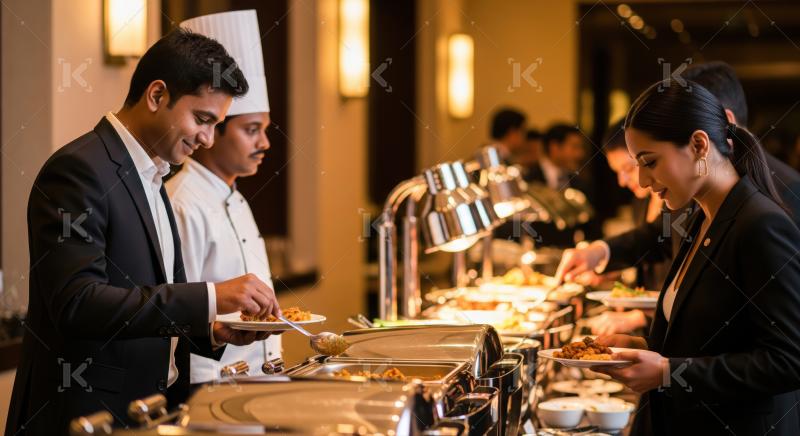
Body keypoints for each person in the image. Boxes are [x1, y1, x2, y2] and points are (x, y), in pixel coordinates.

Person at [7, 29, 281, 434]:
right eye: (202, 119)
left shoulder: (154, 174)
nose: (207, 139)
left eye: (216, 124)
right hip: (86, 414)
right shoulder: (79, 170)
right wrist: (210, 296)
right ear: (156, 96)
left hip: (143, 412)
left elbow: (144, 300)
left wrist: (209, 329)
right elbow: (77, 303)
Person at [593, 80, 800, 435]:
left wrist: (667, 373)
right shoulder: (700, 217)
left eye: (650, 162)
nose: (643, 181)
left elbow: (788, 359)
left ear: (699, 145)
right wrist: (643, 349)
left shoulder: (759, 224)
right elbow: (711, 338)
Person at [555, 61, 800, 284]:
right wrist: (599, 251)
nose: (640, 180)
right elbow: (660, 236)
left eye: (649, 162)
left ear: (702, 139)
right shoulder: (697, 194)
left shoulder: (777, 203)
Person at [168, 10, 281, 385]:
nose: (264, 143)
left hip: (258, 382)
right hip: (211, 387)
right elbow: (176, 308)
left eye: (264, 130)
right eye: (252, 130)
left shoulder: (236, 197)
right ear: (215, 131)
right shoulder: (183, 201)